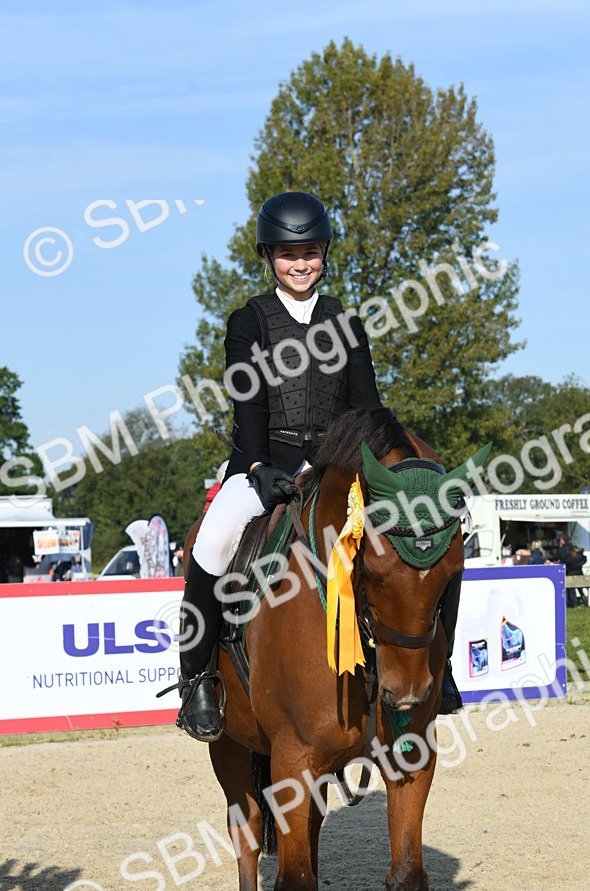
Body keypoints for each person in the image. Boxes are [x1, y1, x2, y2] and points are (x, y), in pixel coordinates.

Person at [173, 192, 465, 740]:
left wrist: (401, 462)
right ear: (268, 257)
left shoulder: (345, 321)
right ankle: (197, 681)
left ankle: (440, 669)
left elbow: (367, 406)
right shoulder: (248, 321)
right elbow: (248, 400)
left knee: (429, 537)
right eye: (288, 253)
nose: (300, 263)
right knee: (212, 540)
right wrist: (257, 463)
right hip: (267, 462)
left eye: (309, 251)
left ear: (325, 252)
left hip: (337, 465)